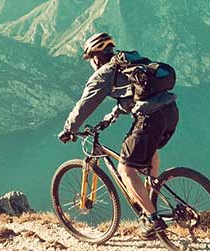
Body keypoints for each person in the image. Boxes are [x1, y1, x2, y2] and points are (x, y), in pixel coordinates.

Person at [58, 32, 179, 238]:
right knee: (151, 154)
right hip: (170, 112)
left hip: (150, 118)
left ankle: (152, 220)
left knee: (126, 169)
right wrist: (109, 117)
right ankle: (152, 196)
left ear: (95, 57)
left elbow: (84, 105)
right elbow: (132, 96)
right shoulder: (126, 64)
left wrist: (69, 128)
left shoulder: (103, 73)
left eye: (90, 60)